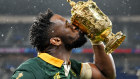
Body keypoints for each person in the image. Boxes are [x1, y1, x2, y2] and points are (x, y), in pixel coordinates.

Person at [11, 9, 116, 79]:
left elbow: (107, 75)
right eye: (68, 26)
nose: (75, 26)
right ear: (56, 40)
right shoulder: (32, 70)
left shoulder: (73, 67)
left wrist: (96, 39)